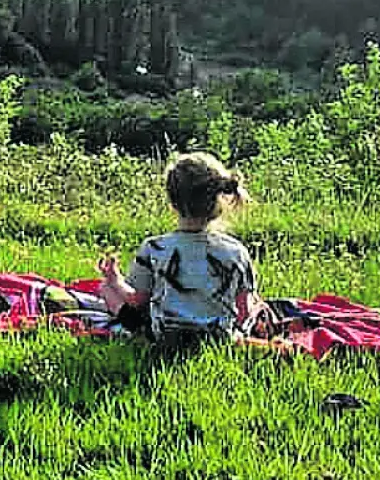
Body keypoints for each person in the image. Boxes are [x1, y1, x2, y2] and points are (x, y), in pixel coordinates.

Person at [97, 151, 260, 352]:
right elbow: (244, 311)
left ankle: (133, 329)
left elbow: (136, 301)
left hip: (163, 337)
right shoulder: (237, 251)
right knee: (257, 303)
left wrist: (115, 280)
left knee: (105, 289)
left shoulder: (154, 248)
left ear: (173, 203)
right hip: (218, 340)